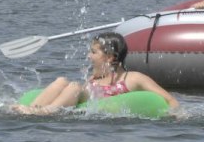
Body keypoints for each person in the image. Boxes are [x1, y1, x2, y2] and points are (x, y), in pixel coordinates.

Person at [12, 32, 179, 114]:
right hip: (82, 106)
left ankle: (44, 112)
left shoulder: (134, 78)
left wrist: (178, 115)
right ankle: (31, 109)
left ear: (110, 57)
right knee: (61, 80)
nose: (88, 56)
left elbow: (170, 99)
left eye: (93, 52)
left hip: (107, 109)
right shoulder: (95, 79)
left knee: (75, 86)